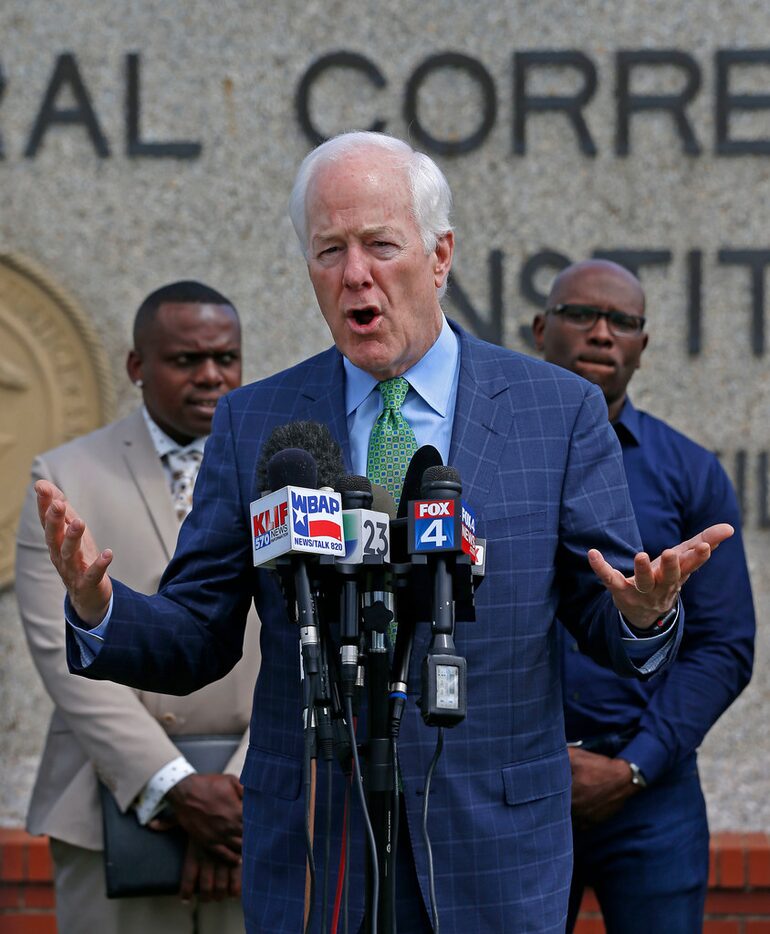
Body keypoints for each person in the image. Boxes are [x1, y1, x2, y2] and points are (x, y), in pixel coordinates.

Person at [35, 133, 732, 934]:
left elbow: (601, 610)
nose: (354, 273)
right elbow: (199, 631)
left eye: (379, 245)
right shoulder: (257, 419)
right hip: (313, 846)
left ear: (439, 256)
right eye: (329, 249)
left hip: (493, 850)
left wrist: (643, 615)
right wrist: (101, 608)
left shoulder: (556, 411)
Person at [15, 281, 261, 934]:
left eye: (226, 358)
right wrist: (176, 788)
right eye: (186, 360)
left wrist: (238, 794)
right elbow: (63, 652)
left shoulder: (285, 472)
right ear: (136, 366)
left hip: (262, 812)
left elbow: (306, 642)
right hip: (111, 812)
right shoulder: (64, 475)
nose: (212, 375)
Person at [532, 258, 755, 933]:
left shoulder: (688, 471)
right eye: (581, 315)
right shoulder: (489, 461)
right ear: (542, 328)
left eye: (622, 322)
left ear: (642, 346)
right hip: (520, 788)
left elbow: (724, 645)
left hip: (651, 793)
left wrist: (633, 767)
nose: (601, 333)